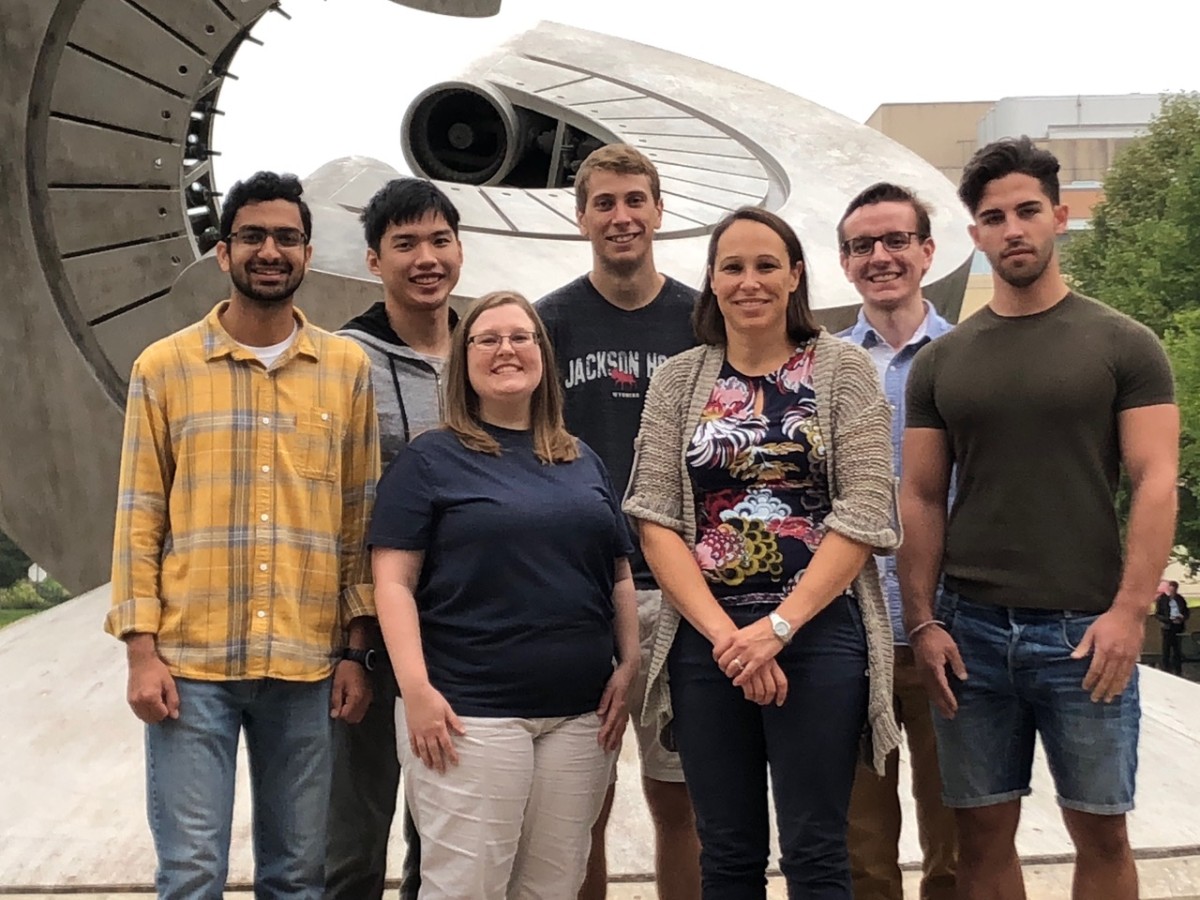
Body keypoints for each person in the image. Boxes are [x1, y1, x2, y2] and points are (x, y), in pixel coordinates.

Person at [899, 137, 1178, 900]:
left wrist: (1129, 612)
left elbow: (1157, 481)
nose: (1012, 228)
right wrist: (923, 622)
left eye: (1027, 211)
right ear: (975, 236)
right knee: (981, 837)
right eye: (994, 217)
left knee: (1102, 832)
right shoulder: (943, 362)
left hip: (1086, 632)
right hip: (971, 633)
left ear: (1058, 216)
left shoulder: (1125, 344)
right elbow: (920, 497)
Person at [105, 171, 381, 899]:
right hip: (192, 664)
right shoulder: (163, 368)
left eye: (286, 237)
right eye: (253, 236)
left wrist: (357, 649)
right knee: (190, 874)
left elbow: (360, 518)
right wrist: (140, 651)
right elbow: (138, 518)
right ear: (223, 252)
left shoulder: (346, 369)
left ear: (307, 253)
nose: (270, 250)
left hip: (307, 663)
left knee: (297, 877)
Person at [624, 206, 901, 898]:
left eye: (766, 265)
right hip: (708, 643)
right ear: (713, 282)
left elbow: (865, 510)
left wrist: (779, 629)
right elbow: (654, 515)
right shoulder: (679, 380)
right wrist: (730, 639)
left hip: (817, 635)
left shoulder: (842, 370)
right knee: (726, 856)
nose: (750, 281)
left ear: (795, 276)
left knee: (816, 852)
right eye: (734, 267)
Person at [369, 291, 640, 900]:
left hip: (579, 717)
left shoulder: (580, 458)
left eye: (520, 336)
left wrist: (631, 663)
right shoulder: (429, 460)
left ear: (543, 355)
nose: (505, 350)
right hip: (470, 715)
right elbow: (392, 583)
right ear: (463, 363)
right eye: (487, 339)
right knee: (466, 888)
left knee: (553, 887)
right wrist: (415, 690)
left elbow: (618, 573)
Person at [536, 143, 701, 900]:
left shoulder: (704, 320)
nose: (622, 216)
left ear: (660, 211)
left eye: (635, 199)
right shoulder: (548, 325)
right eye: (604, 203)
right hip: (582, 595)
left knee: (683, 801)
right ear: (581, 219)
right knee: (581, 810)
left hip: (684, 591)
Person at [326, 177, 463, 900]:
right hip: (370, 637)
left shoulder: (486, 354)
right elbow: (338, 506)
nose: (426, 258)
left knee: (442, 844)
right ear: (374, 261)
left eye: (439, 240)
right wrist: (352, 639)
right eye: (405, 244)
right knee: (350, 844)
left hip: (466, 631)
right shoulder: (343, 361)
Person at [835, 182, 957, 900]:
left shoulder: (972, 354)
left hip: (954, 628)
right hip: (852, 632)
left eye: (896, 241)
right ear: (845, 263)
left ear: (926, 251)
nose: (881, 257)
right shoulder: (822, 368)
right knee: (861, 851)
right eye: (863, 246)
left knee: (964, 839)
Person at [1155, 580, 1190, 675]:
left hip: (1178, 627)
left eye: (1174, 590)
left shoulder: (1180, 599)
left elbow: (1186, 612)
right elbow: (1158, 614)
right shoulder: (1162, 599)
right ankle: (1166, 668)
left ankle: (1178, 669)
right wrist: (1168, 619)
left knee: (1177, 649)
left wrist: (1182, 617)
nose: (1172, 592)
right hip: (1167, 627)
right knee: (1166, 648)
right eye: (1170, 590)